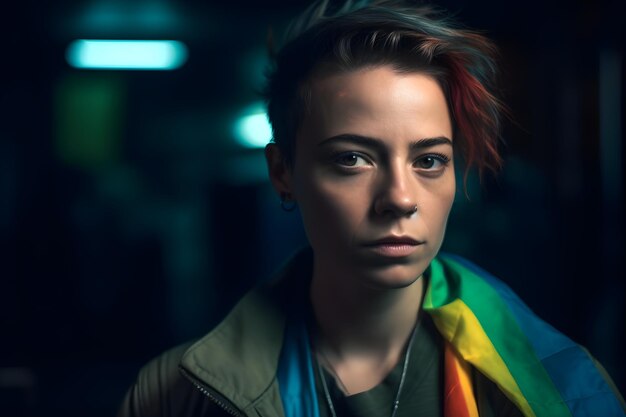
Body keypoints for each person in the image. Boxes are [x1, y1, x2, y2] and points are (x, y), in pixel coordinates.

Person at [118, 1, 625, 416]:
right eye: (353, 159)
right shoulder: (175, 394)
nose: (400, 199)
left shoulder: (564, 386)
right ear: (283, 173)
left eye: (429, 160)